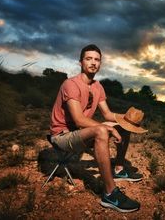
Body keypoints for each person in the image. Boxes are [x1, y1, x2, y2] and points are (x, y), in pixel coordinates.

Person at [50, 44, 145, 213]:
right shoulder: (70, 84)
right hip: (62, 136)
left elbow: (108, 114)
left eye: (97, 59)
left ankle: (119, 169)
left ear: (100, 64)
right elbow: (79, 120)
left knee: (123, 127)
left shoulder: (97, 87)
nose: (93, 63)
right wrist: (108, 129)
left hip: (80, 133)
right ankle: (110, 194)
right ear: (81, 62)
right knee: (102, 130)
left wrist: (127, 119)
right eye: (89, 59)